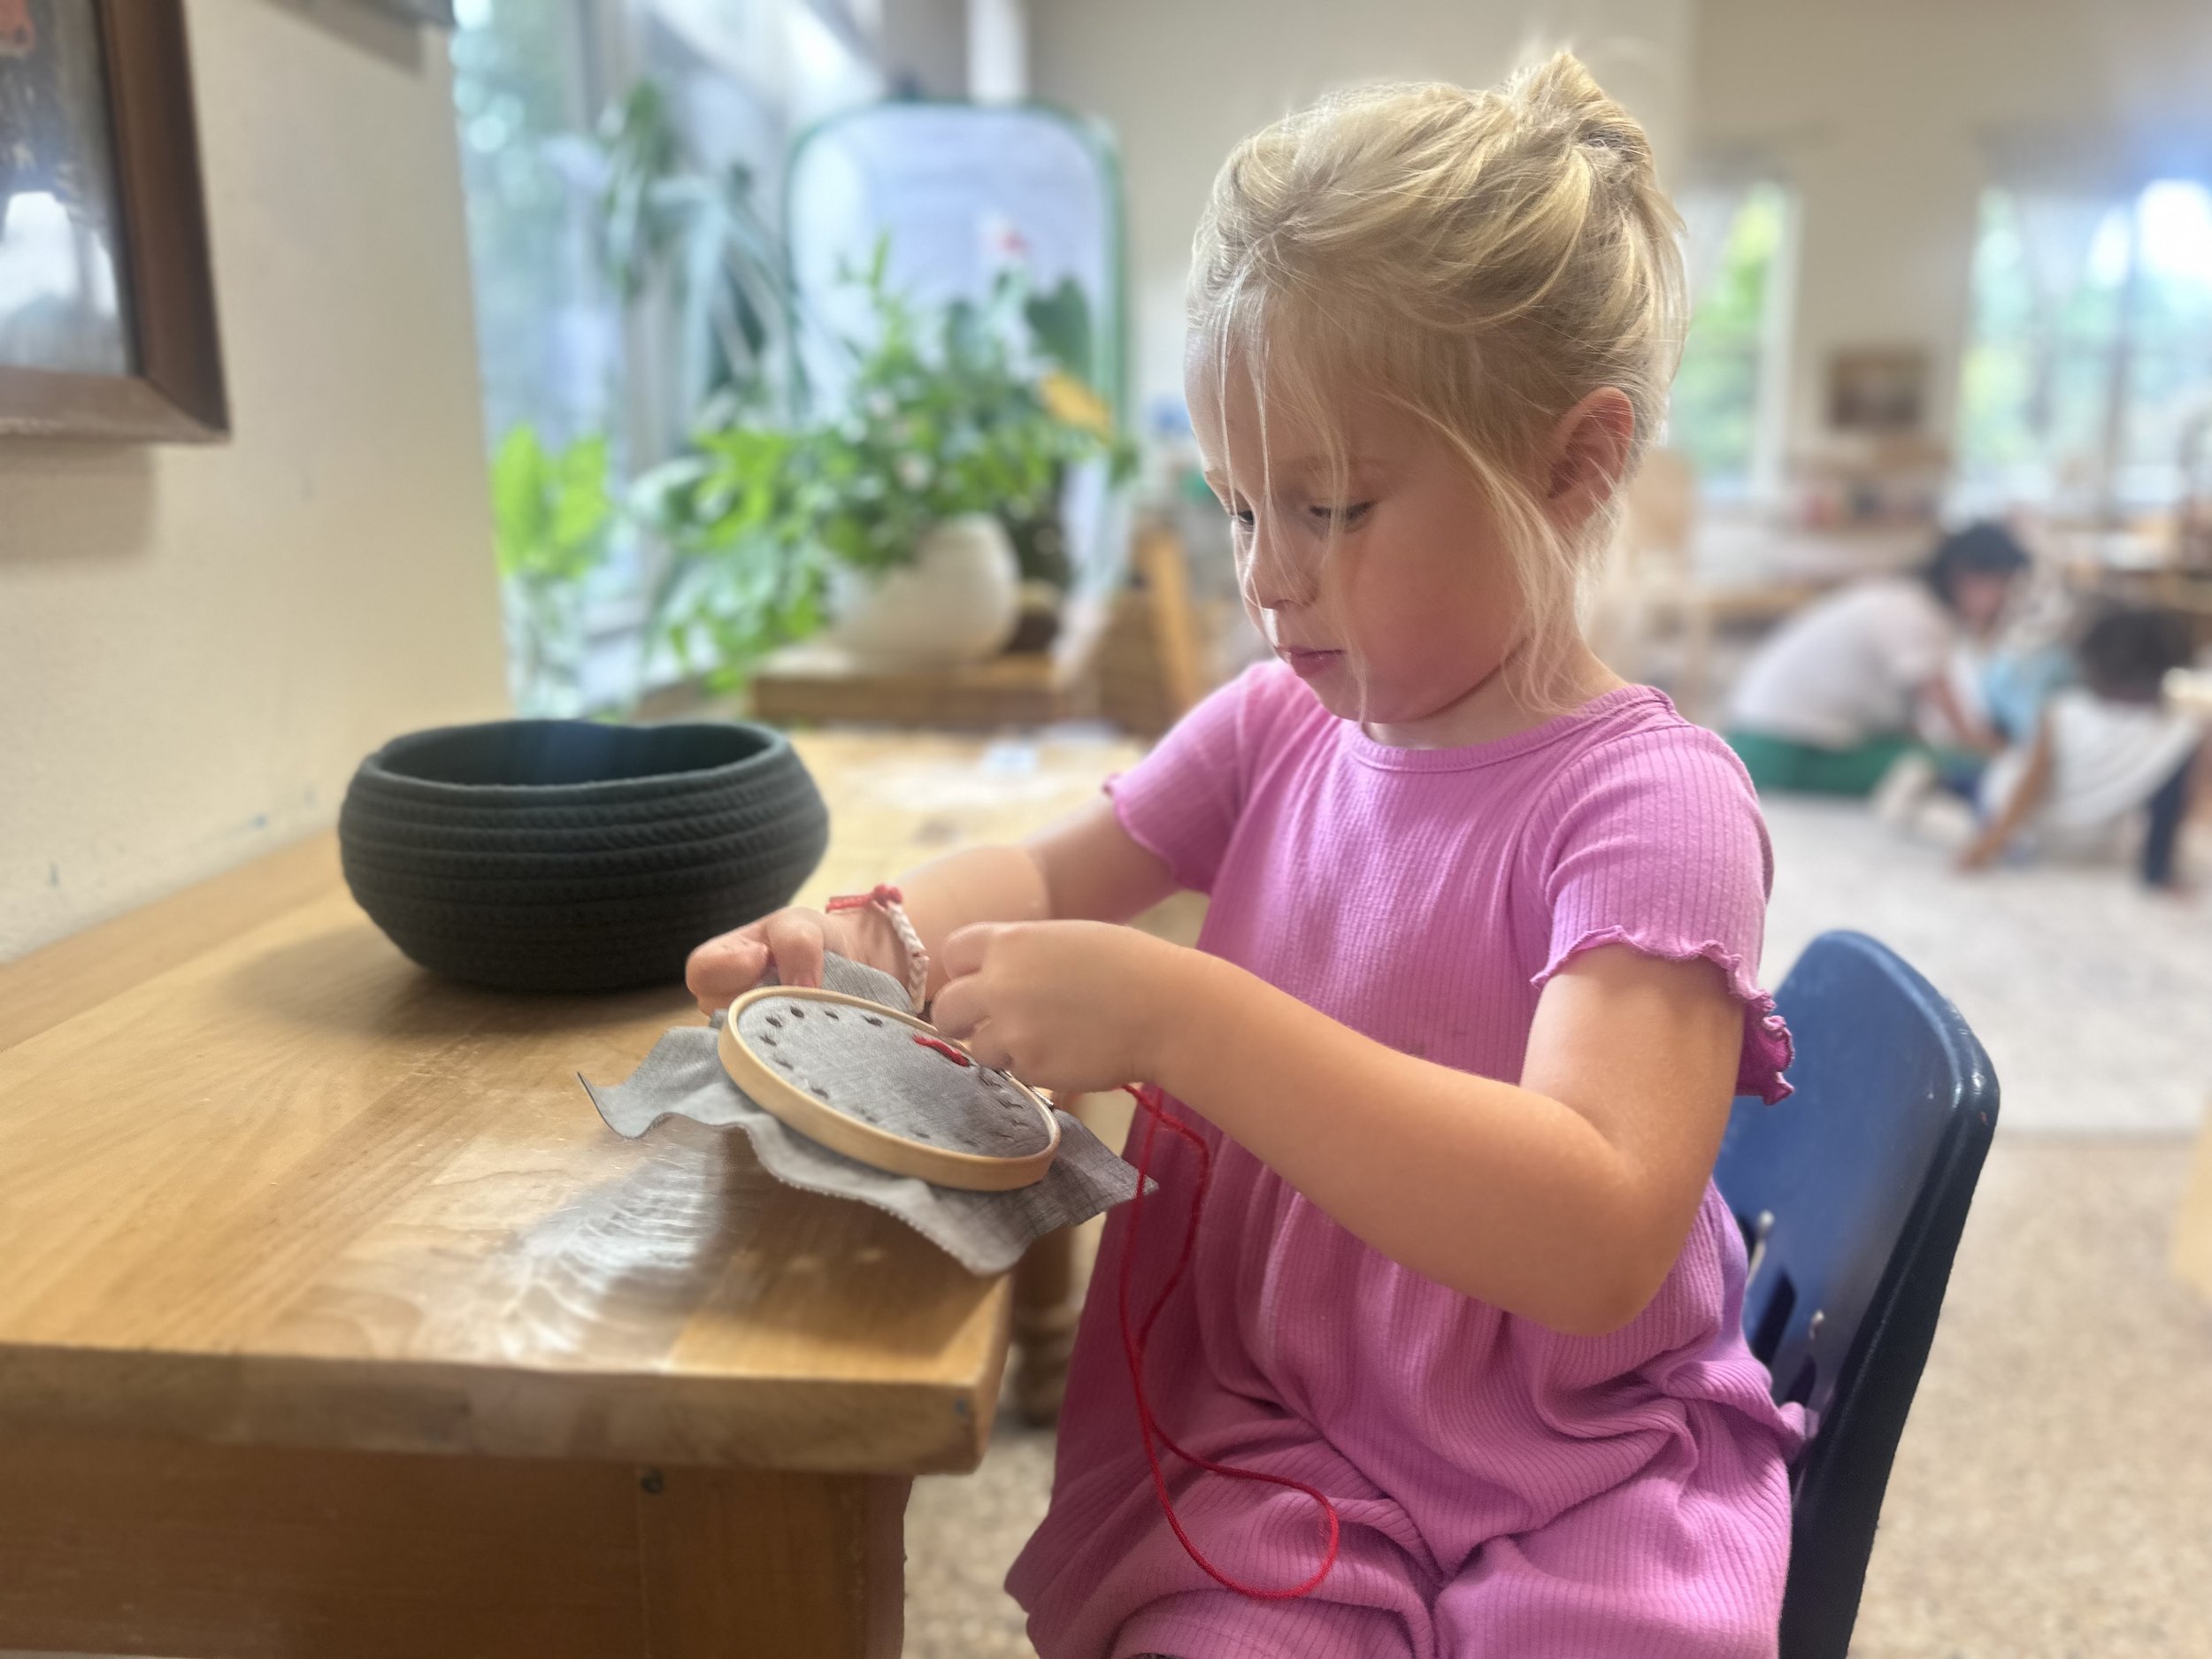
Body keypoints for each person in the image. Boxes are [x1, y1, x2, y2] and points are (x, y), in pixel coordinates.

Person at [690, 56, 1801, 1657]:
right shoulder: (1277, 722)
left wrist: (1179, 1018)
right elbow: (1050, 875)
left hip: (1586, 1467)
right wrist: (864, 936)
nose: (1269, 577)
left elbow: (1595, 1231)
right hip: (1280, 1439)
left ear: (1573, 464)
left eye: (1333, 508)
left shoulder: (1652, 807)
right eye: (1239, 507)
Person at [1724, 522, 2033, 795]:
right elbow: (1953, 721)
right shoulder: (1916, 613)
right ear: (1965, 577)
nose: (2004, 602)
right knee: (1936, 765)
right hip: (1780, 752)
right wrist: (1991, 752)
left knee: (1925, 756)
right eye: (2001, 585)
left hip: (1761, 739)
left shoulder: (1901, 599)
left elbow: (1912, 721)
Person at [1962, 606, 2205, 890]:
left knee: (1978, 779)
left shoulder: (2067, 711)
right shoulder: (2178, 732)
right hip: (2085, 840)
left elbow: (2029, 783)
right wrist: (2158, 873)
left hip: (2019, 822)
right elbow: (2166, 810)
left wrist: (1990, 843)